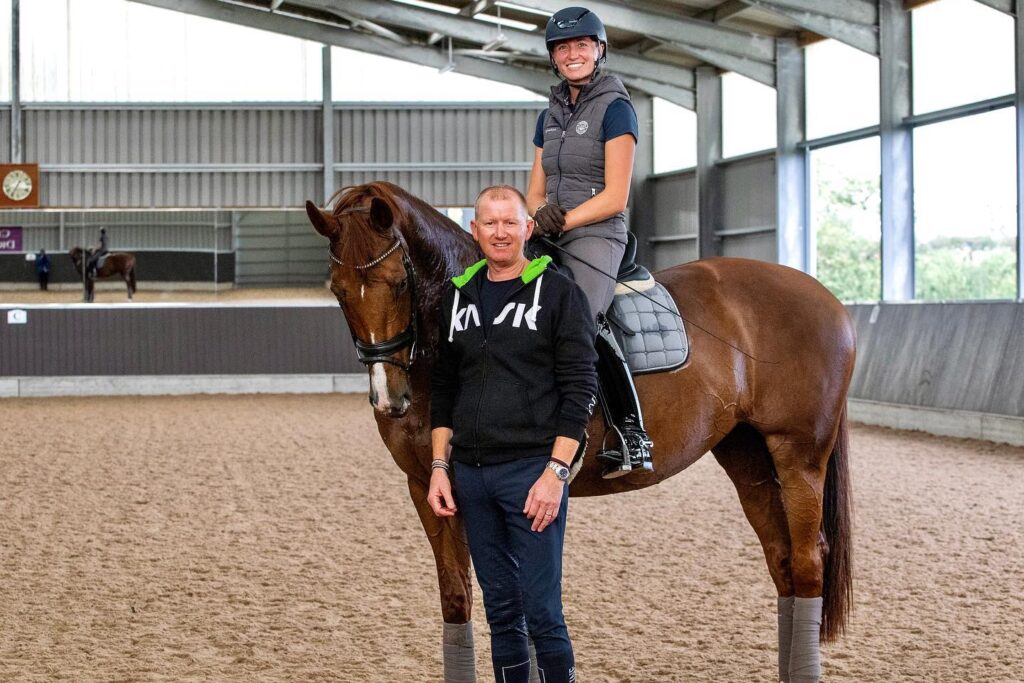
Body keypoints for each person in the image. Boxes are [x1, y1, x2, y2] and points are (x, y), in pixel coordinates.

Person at [428, 185, 597, 683]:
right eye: (489, 223)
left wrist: (556, 472)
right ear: (475, 231)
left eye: (510, 222)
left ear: (527, 228)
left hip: (532, 475)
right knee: (501, 611)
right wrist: (440, 467)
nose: (500, 232)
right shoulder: (457, 296)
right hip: (472, 478)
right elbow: (443, 389)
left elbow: (580, 389)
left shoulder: (560, 293)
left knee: (542, 612)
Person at [525, 6, 653, 478]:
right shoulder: (549, 115)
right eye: (563, 48)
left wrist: (564, 221)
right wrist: (539, 213)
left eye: (581, 45)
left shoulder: (617, 108)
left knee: (579, 313)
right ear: (554, 59)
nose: (572, 54)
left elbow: (617, 196)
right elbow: (535, 190)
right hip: (551, 227)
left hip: (597, 231)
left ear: (599, 50)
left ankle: (631, 431)